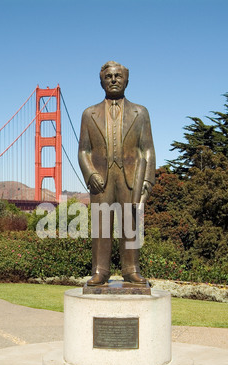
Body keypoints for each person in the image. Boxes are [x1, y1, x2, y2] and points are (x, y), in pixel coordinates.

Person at [78, 61, 156, 286]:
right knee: (101, 226)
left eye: (118, 76)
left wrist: (148, 182)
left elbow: (147, 150)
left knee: (130, 225)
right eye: (109, 76)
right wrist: (90, 173)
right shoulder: (88, 114)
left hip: (130, 178)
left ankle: (131, 270)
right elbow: (83, 150)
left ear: (127, 80)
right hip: (100, 180)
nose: (113, 80)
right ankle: (100, 271)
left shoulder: (141, 113)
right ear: (101, 81)